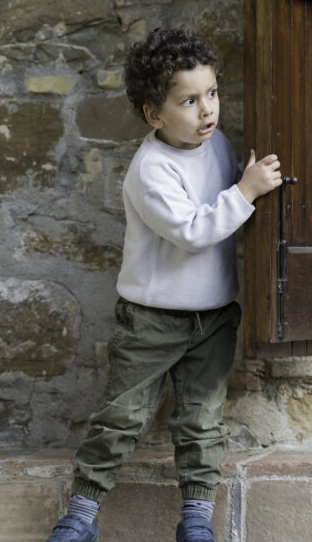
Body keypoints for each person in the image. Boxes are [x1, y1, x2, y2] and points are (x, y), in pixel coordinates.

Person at [46, 27, 282, 542]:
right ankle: (80, 519)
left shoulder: (218, 145)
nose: (207, 110)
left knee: (202, 421)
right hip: (152, 321)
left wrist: (244, 185)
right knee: (122, 418)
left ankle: (196, 521)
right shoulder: (151, 169)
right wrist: (246, 189)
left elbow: (225, 209)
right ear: (155, 115)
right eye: (189, 100)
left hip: (214, 318)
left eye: (212, 94)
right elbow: (195, 232)